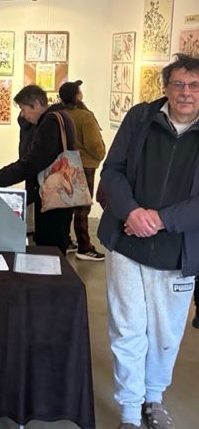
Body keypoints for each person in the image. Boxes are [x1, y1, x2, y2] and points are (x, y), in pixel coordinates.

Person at [98, 53, 199, 429]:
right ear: (166, 88)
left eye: (195, 86)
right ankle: (129, 409)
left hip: (178, 251)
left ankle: (153, 398)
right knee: (127, 328)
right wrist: (131, 212)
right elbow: (113, 170)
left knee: (165, 333)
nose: (186, 93)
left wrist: (161, 220)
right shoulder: (141, 117)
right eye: (178, 84)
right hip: (127, 243)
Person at [0, 84, 76, 254]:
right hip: (61, 195)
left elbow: (33, 162)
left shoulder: (50, 121)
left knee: (49, 249)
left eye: (24, 109)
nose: (23, 115)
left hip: (53, 199)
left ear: (37, 104)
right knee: (54, 248)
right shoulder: (61, 116)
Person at [58, 80, 106, 261]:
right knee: (82, 208)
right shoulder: (85, 116)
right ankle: (84, 247)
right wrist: (100, 154)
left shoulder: (60, 114)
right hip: (85, 164)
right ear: (77, 95)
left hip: (66, 163)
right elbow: (94, 144)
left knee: (66, 205)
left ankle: (65, 240)